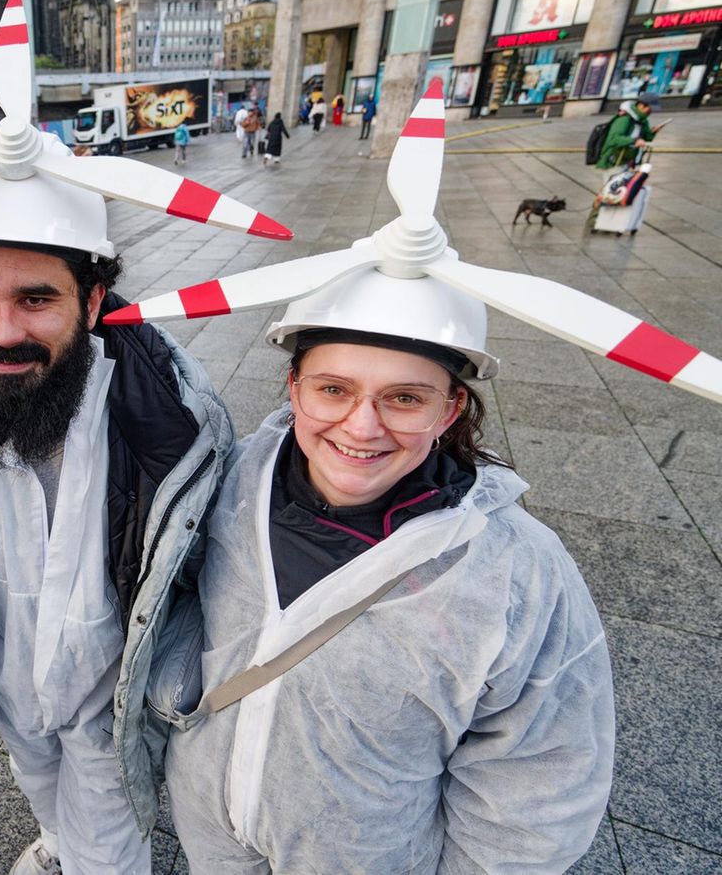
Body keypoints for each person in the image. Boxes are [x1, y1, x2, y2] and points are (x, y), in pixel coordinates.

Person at [160, 271, 614, 874]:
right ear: (294, 388)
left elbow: (542, 775)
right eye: (333, 389)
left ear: (450, 410)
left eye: (404, 398)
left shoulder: (515, 568)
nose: (361, 426)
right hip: (208, 832)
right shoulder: (225, 485)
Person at [0, 177, 233, 874]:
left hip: (107, 698)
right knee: (40, 787)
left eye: (36, 298)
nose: (3, 332)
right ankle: (56, 843)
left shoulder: (175, 420)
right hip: (7, 682)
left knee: (109, 847)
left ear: (93, 300)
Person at [584, 91, 662, 237]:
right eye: (649, 108)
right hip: (613, 160)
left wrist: (653, 133)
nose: (651, 112)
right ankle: (594, 221)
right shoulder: (624, 119)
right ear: (642, 105)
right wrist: (633, 141)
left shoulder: (642, 120)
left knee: (618, 193)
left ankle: (608, 223)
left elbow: (645, 136)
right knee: (609, 192)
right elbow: (614, 138)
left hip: (627, 160)